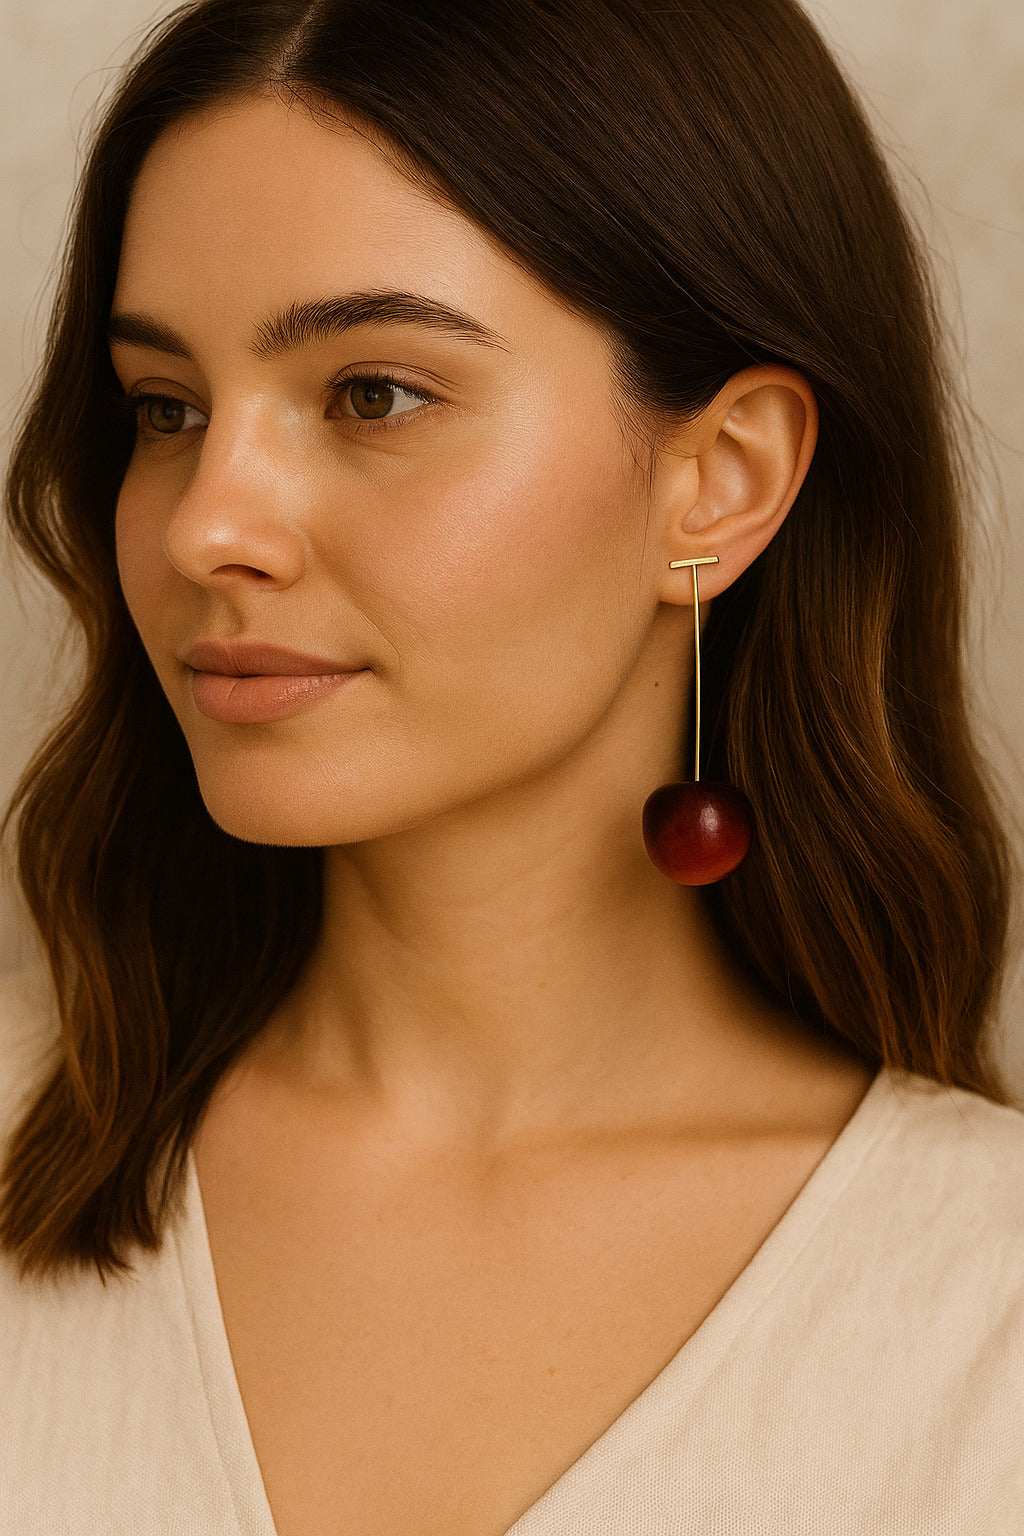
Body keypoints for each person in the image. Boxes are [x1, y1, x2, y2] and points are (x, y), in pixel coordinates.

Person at [1, 0, 1022, 1530]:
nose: (208, 525)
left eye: (373, 394)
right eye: (167, 408)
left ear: (717, 482)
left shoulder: (984, 1313)